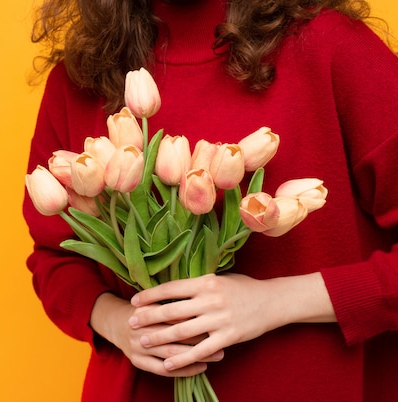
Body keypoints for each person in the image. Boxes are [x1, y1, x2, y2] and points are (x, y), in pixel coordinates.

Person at [22, 0, 398, 401]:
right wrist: (120, 323)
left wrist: (274, 302)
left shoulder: (332, 48)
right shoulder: (81, 75)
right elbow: (55, 257)